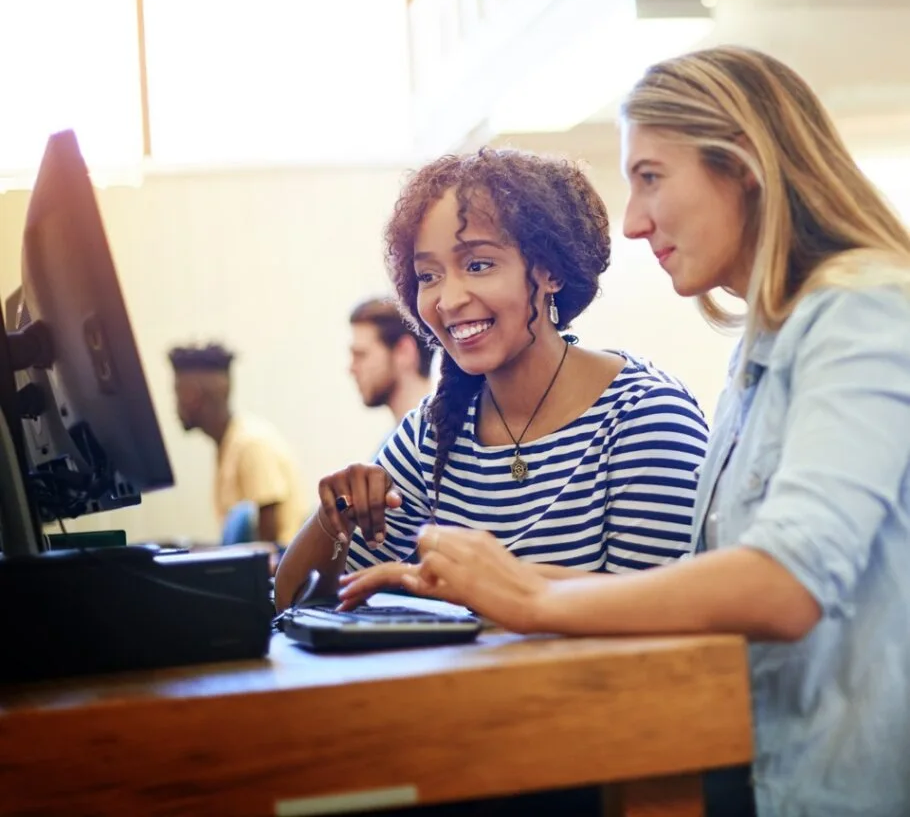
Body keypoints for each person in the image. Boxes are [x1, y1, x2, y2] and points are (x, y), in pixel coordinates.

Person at [382, 47, 910, 817]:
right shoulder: (763, 349)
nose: (632, 222)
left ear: (742, 166)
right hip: (765, 773)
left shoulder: (862, 311)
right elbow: (700, 590)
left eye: (650, 177)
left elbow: (785, 584)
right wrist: (491, 587)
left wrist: (532, 603)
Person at [275, 148, 708, 612]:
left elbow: (665, 615)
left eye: (478, 265)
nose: (449, 299)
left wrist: (449, 582)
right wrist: (332, 519)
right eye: (428, 275)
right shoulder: (434, 431)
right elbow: (290, 603)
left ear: (550, 271)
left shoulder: (647, 418)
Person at [168, 342, 305, 549]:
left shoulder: (251, 444)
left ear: (191, 395)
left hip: (275, 576)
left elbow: (266, 550)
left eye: (176, 393)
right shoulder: (229, 444)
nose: (175, 405)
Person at [348, 296, 434, 427]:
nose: (352, 369)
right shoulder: (396, 444)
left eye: (361, 355)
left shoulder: (442, 441)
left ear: (404, 352)